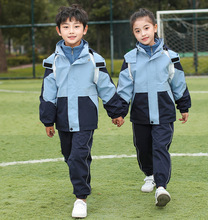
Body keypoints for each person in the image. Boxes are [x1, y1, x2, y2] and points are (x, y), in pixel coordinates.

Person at [39, 4, 124, 218]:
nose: (71, 30)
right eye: (66, 26)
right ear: (59, 30)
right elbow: (48, 93)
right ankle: (83, 174)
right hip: (63, 119)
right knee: (70, 156)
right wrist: (48, 120)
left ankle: (81, 198)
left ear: (85, 29)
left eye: (76, 26)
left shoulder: (95, 60)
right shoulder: (52, 62)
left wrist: (116, 112)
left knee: (77, 156)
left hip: (86, 118)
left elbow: (106, 87)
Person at [114, 8, 191, 207]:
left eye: (146, 28)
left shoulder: (170, 56)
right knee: (143, 148)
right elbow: (124, 88)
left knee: (160, 147)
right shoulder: (130, 59)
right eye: (138, 31)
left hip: (164, 113)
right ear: (134, 33)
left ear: (155, 28)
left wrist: (183, 106)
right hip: (140, 115)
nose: (143, 34)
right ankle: (149, 175)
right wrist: (120, 112)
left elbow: (178, 83)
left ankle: (161, 187)